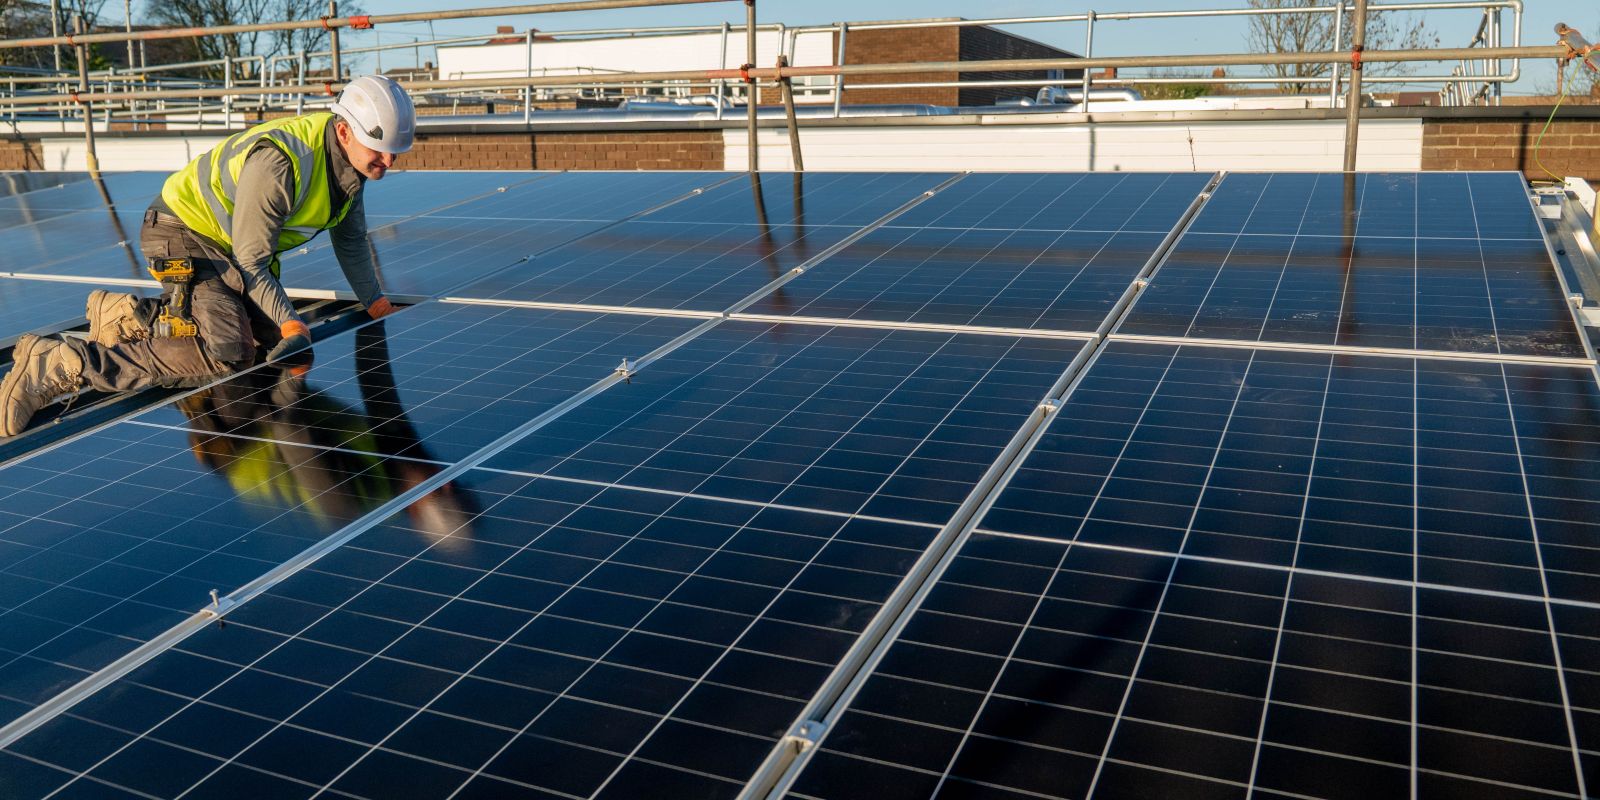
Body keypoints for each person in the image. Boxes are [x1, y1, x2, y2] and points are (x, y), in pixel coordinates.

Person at [0, 74, 415, 438]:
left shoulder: (349, 168)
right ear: (344, 131)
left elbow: (351, 240)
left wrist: (375, 302)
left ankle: (133, 317)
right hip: (181, 230)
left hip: (228, 251)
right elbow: (253, 260)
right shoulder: (283, 163)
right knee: (228, 351)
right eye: (378, 149)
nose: (389, 161)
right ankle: (64, 361)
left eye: (396, 151)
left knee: (267, 349)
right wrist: (290, 322)